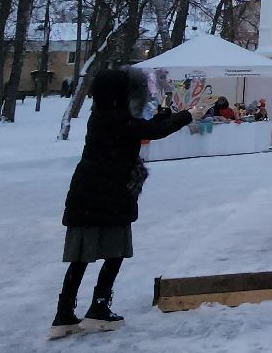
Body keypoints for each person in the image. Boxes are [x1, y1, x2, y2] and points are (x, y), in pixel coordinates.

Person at [50, 67, 197, 338]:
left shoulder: (101, 116)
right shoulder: (116, 119)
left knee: (81, 257)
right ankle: (99, 307)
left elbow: (147, 127)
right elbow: (154, 131)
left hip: (87, 193)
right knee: (115, 252)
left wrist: (166, 114)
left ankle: (64, 314)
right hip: (110, 194)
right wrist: (187, 115)